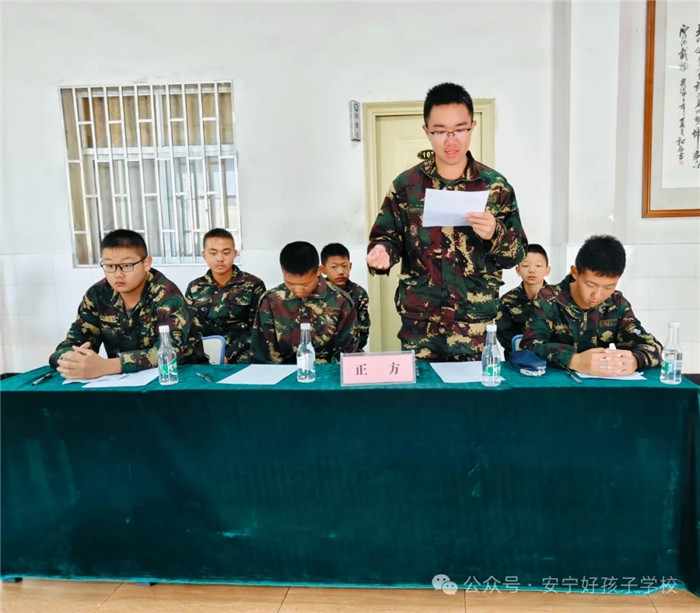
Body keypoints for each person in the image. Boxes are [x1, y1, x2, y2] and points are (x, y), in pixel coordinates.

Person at [366, 82, 527, 361]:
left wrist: (495, 233)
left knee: (473, 391)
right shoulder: (406, 185)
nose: (450, 141)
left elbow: (516, 255)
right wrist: (381, 251)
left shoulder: (496, 187)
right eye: (440, 131)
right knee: (422, 389)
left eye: (460, 130)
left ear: (472, 127)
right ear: (426, 131)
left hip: (474, 325)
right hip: (421, 325)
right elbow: (386, 237)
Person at [49, 229, 201, 379]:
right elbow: (74, 341)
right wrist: (70, 359)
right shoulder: (97, 295)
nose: (118, 274)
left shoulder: (167, 295)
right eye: (110, 266)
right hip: (120, 381)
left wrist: (106, 366)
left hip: (179, 377)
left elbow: (171, 350)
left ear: (146, 263)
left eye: (127, 265)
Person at [521, 235, 662, 376]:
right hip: (557, 384)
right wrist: (573, 360)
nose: (597, 295)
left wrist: (636, 360)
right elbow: (529, 346)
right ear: (575, 272)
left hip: (602, 384)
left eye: (608, 287)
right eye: (590, 285)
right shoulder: (548, 300)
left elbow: (653, 347)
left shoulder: (617, 304)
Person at [251, 241, 359, 364]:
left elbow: (345, 353)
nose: (298, 290)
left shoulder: (341, 301)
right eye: (290, 283)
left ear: (319, 271)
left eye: (305, 284)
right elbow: (262, 353)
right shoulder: (270, 301)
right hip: (281, 373)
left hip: (326, 372)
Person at [185, 228, 266, 363]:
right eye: (213, 253)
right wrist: (208, 355)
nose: (220, 259)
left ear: (235, 254)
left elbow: (258, 328)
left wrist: (229, 355)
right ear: (204, 255)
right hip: (205, 355)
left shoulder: (253, 285)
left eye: (226, 253)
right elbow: (191, 329)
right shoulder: (194, 287)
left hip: (242, 353)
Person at [497, 244, 551, 359]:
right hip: (517, 359)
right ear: (518, 270)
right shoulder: (507, 300)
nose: (531, 270)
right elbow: (505, 336)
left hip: (550, 359)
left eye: (538, 265)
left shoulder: (557, 299)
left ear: (547, 270)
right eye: (526, 265)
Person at [320, 243, 370, 351]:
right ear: (323, 269)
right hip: (323, 353)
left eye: (344, 266)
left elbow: (363, 329)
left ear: (350, 266)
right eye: (334, 267)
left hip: (350, 351)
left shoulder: (359, 293)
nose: (340, 272)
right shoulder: (318, 293)